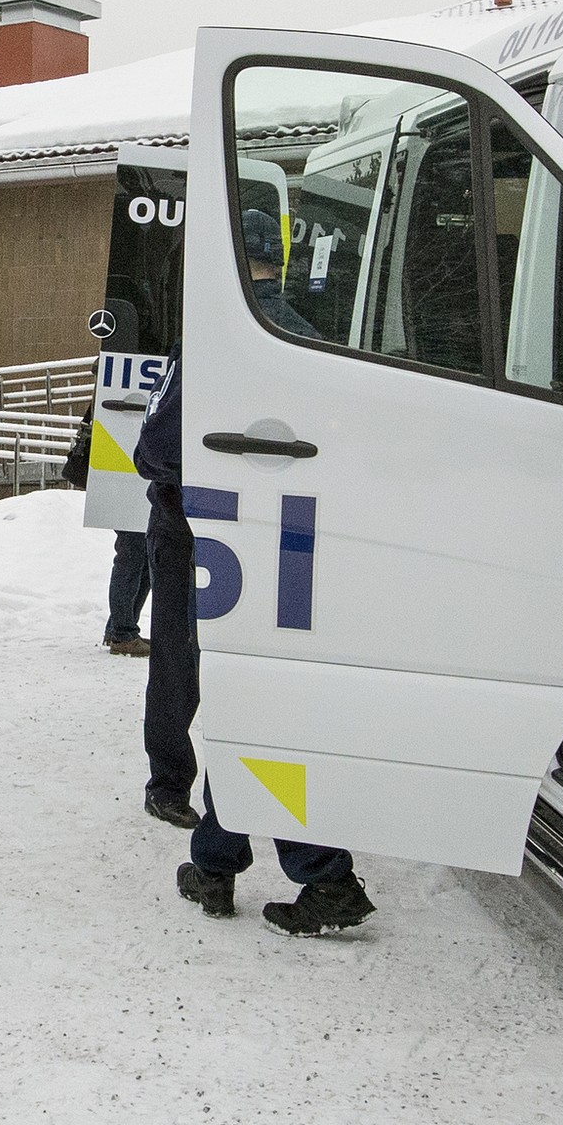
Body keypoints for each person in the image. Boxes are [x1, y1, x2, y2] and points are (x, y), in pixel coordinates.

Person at [136, 361, 374, 936]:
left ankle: (320, 873)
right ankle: (216, 862)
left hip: (209, 537)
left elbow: (155, 452)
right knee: (253, 700)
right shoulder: (320, 350)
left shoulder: (222, 340)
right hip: (293, 532)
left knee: (237, 699)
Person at [60, 419, 154, 657]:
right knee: (132, 554)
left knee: (139, 554)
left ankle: (119, 628)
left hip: (126, 471)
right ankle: (123, 634)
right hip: (122, 473)